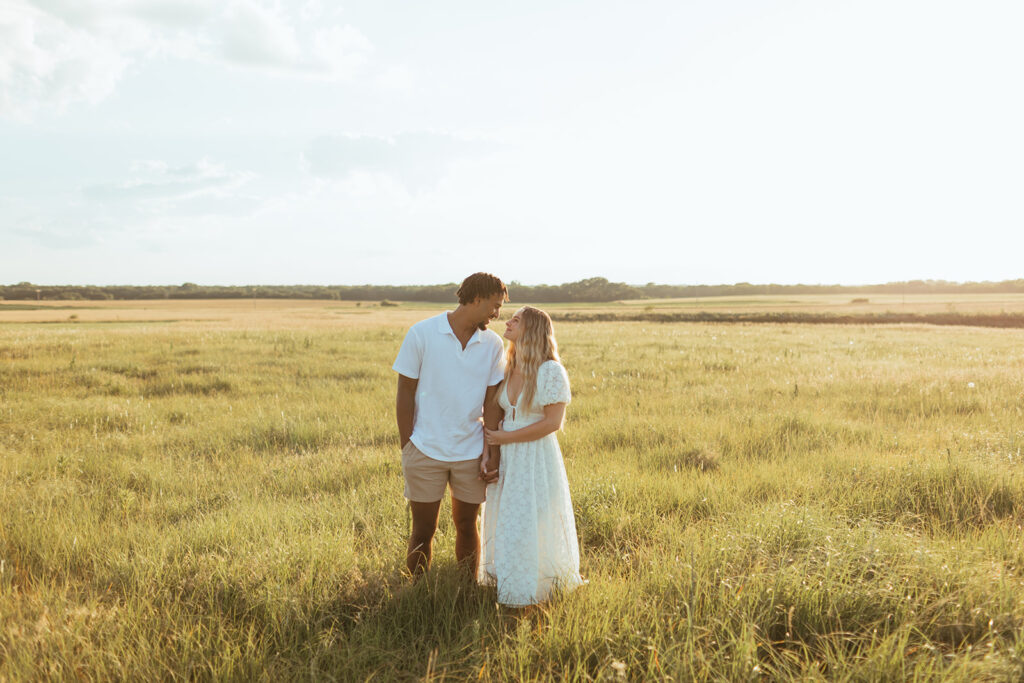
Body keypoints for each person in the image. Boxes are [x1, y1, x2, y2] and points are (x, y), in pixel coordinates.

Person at [393, 273, 507, 578]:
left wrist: (491, 451)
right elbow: (405, 391)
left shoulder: (493, 344)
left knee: (469, 525)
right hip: (425, 449)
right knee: (423, 529)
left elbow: (492, 402)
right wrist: (409, 443)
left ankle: (466, 591)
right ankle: (419, 593)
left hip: (470, 451)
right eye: (494, 306)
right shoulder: (422, 333)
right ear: (476, 299)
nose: (497, 314)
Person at [478, 306, 584, 607]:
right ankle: (508, 581)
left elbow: (552, 423)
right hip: (507, 454)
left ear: (533, 330)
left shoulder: (550, 371)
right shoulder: (507, 367)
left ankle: (534, 588)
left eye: (516, 320)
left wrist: (505, 438)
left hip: (535, 456)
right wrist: (490, 452)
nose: (508, 322)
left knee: (529, 520)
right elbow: (495, 418)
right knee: (508, 520)